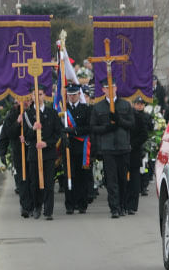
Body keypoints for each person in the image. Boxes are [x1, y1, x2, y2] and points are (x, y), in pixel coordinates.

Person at [90, 80, 134, 218]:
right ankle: (114, 208)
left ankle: (122, 205)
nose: (110, 89)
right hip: (108, 148)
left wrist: (119, 121)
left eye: (112, 86)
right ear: (103, 90)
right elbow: (93, 127)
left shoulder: (125, 105)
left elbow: (131, 124)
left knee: (122, 179)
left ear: (116, 87)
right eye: (107, 87)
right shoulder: (98, 107)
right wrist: (106, 127)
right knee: (111, 180)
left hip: (123, 147)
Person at [23, 85, 61, 220]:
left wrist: (47, 143)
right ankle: (37, 206)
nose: (37, 97)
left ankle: (48, 210)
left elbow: (58, 133)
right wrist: (33, 129)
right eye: (35, 94)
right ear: (31, 97)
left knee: (49, 182)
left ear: (44, 96)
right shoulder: (27, 114)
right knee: (35, 183)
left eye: (40, 94)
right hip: (34, 153)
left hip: (48, 153)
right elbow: (26, 138)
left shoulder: (52, 113)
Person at [0, 97, 34, 218]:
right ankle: (25, 206)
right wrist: (17, 123)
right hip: (19, 153)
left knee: (32, 179)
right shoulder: (12, 114)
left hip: (34, 152)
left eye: (28, 99)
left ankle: (34, 204)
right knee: (22, 180)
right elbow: (7, 133)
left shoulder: (36, 112)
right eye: (23, 99)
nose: (26, 102)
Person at [62, 85, 93, 215]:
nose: (72, 97)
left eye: (74, 95)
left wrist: (73, 131)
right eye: (70, 95)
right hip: (68, 148)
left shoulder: (86, 109)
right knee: (69, 175)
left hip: (82, 148)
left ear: (79, 95)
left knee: (82, 177)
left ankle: (82, 204)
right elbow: (58, 127)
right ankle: (70, 204)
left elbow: (89, 127)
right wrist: (64, 136)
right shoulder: (63, 110)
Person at [125, 96, 153, 215]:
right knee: (122, 179)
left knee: (135, 178)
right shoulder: (120, 116)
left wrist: (132, 145)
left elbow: (144, 134)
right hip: (121, 151)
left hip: (135, 151)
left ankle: (132, 205)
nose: (139, 105)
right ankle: (123, 203)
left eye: (141, 104)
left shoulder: (140, 117)